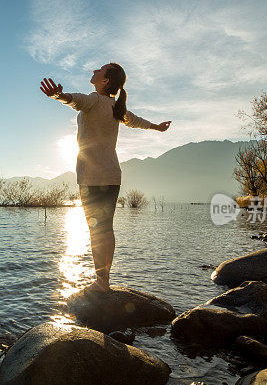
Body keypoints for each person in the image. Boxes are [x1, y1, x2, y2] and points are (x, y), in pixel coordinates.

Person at [40, 62, 171, 292]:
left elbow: (75, 100)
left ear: (105, 81)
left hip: (91, 177)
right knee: (106, 228)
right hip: (112, 176)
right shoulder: (116, 108)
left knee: (95, 230)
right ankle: (104, 280)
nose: (93, 72)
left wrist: (59, 95)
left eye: (98, 71)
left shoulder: (94, 100)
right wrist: (157, 128)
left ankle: (101, 282)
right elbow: (136, 121)